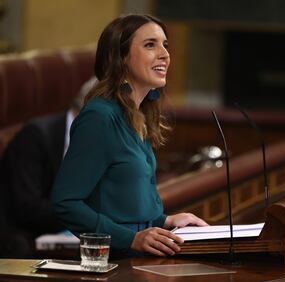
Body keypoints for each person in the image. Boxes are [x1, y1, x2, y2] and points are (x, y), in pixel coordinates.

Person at [51, 14, 208, 258]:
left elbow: (127, 204)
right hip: (112, 262)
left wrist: (165, 220)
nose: (165, 54)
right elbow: (65, 203)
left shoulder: (138, 114)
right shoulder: (100, 117)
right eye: (150, 45)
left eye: (165, 45)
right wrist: (131, 239)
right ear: (121, 58)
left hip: (142, 259)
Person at [0, 77, 96, 257]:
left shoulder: (99, 143)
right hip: (21, 237)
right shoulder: (35, 136)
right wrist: (88, 216)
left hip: (67, 232)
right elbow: (27, 207)